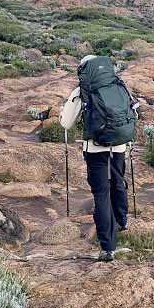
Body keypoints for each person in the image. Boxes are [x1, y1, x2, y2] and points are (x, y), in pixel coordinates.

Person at [60, 54, 137, 262]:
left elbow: (66, 123)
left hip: (95, 149)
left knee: (101, 195)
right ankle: (121, 221)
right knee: (118, 183)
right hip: (119, 145)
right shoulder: (119, 85)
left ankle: (108, 247)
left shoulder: (82, 91)